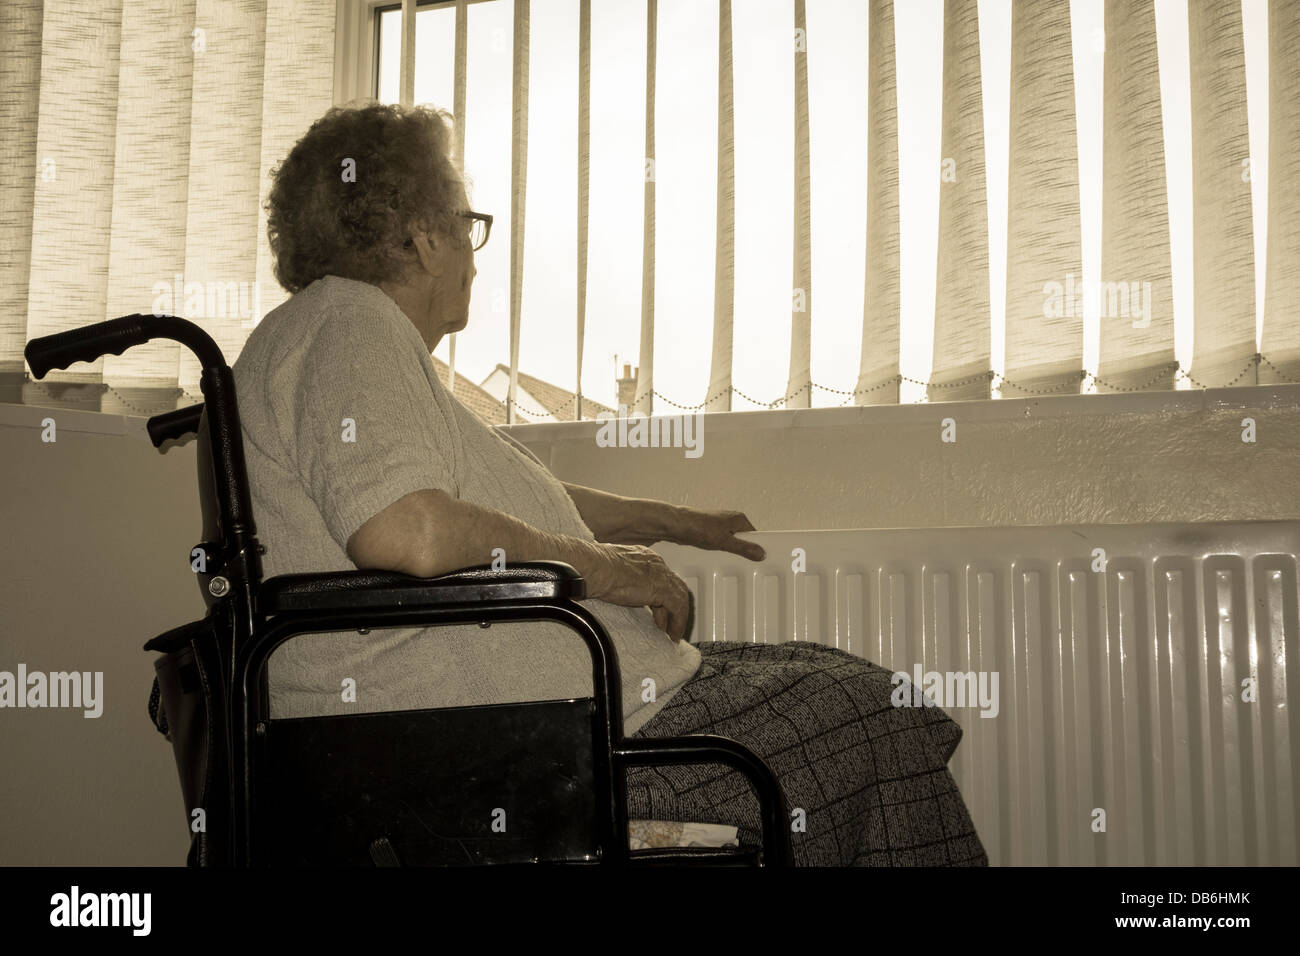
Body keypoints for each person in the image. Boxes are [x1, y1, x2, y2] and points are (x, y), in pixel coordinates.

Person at [232, 102, 986, 866]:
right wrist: (611, 570)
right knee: (869, 712)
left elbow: (505, 498)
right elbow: (411, 532)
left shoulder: (350, 344)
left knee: (847, 681)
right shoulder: (348, 324)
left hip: (540, 725)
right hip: (512, 758)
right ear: (426, 237)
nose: (475, 252)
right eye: (467, 224)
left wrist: (667, 521)